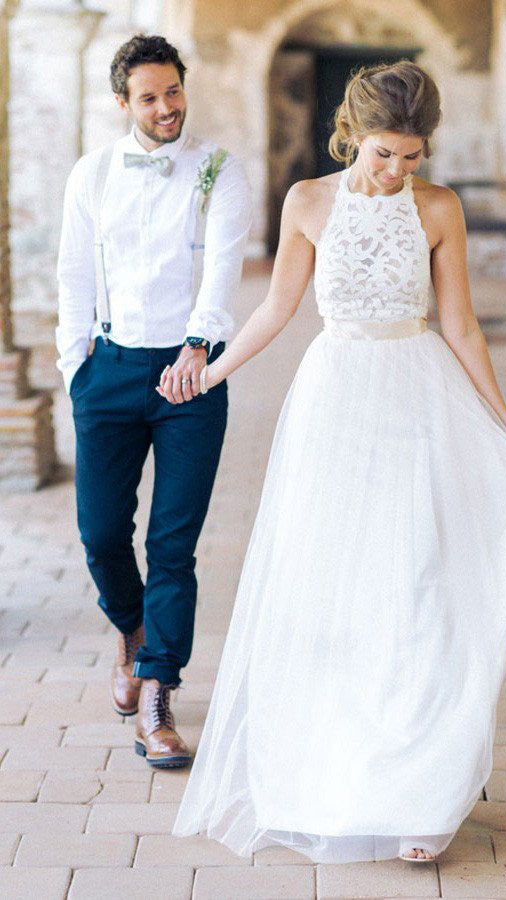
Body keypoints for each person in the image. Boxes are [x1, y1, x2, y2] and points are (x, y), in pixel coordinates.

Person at [172, 61, 506, 860]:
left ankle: (419, 795)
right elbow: (276, 306)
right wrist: (210, 371)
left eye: (412, 157)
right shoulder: (308, 201)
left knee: (415, 583)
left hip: (418, 395)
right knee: (327, 586)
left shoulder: (439, 208)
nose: (397, 171)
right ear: (352, 134)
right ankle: (328, 779)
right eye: (383, 154)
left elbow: (464, 327)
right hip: (334, 400)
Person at [56, 34, 251, 768]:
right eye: (149, 97)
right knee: (102, 534)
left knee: (172, 544)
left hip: (190, 377)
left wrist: (200, 347)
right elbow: (75, 273)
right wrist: (75, 366)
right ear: (123, 104)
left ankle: (158, 690)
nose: (167, 108)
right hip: (106, 372)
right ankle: (132, 631)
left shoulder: (219, 171)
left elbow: (225, 268)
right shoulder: (91, 174)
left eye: (174, 92)